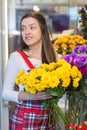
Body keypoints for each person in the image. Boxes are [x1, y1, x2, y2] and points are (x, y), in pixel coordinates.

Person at [2, 11, 62, 130]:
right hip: (25, 119)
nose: (26, 32)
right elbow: (5, 93)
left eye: (32, 27)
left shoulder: (55, 57)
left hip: (50, 118)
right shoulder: (16, 57)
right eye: (23, 29)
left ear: (43, 30)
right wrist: (31, 96)